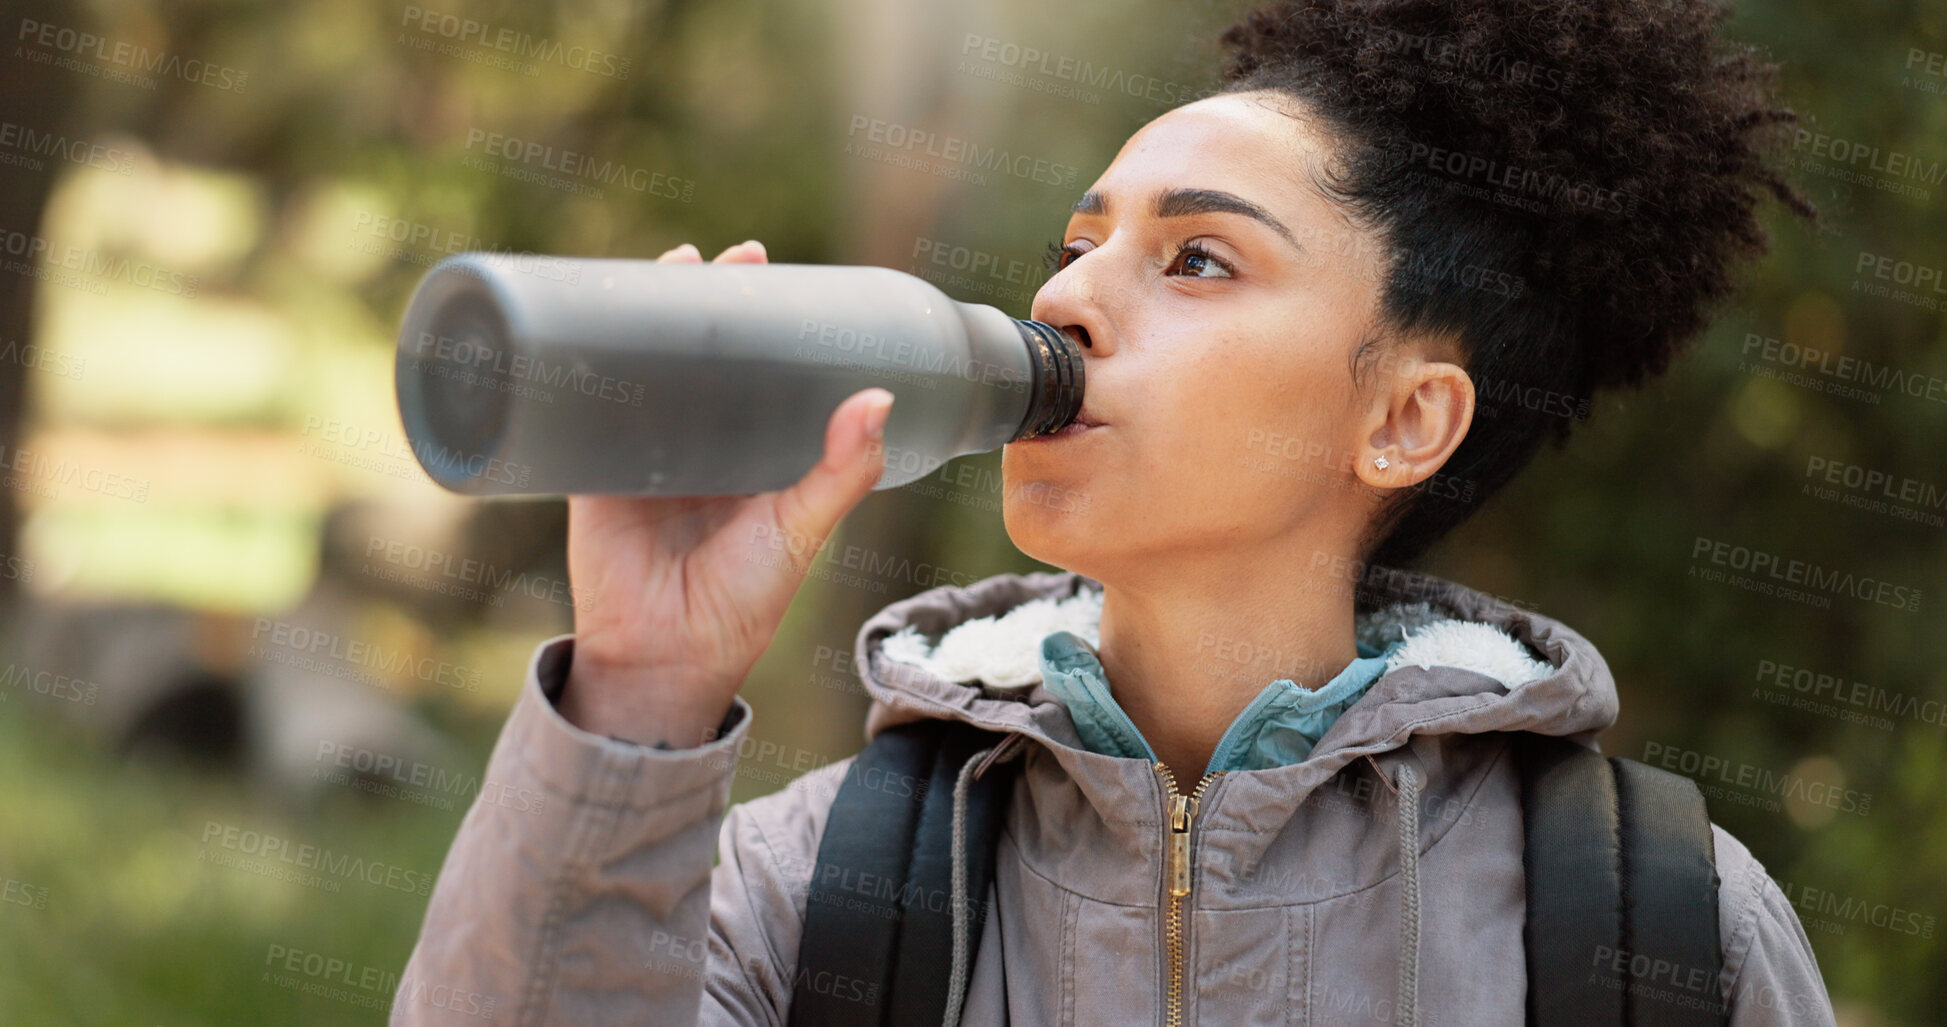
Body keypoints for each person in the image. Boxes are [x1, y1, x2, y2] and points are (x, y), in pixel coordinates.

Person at [393, 0, 1836, 1023]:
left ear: (1403, 420)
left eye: (1197, 258)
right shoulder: (825, 880)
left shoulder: (1659, 936)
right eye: (1078, 244)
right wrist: (644, 687)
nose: (1064, 299)